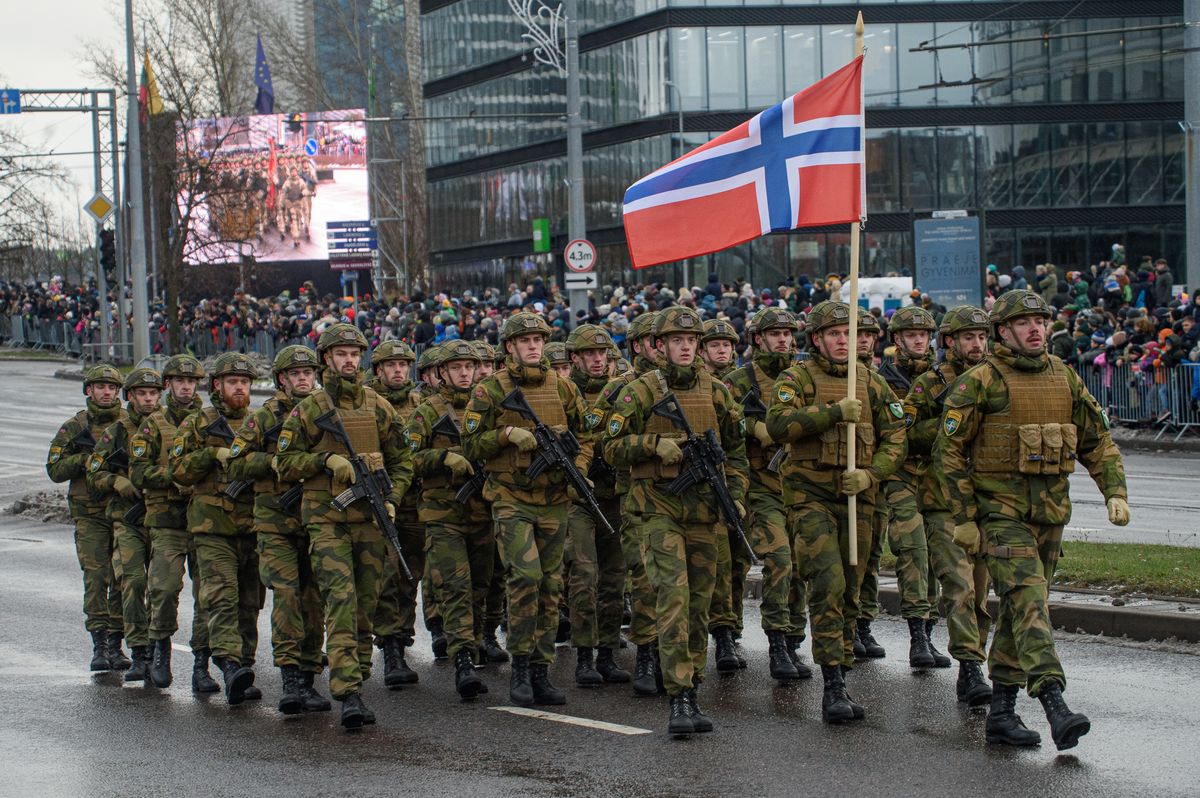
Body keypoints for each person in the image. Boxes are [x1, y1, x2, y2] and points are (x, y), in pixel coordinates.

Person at [936, 289, 1130, 751]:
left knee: (1019, 615)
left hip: (1050, 516)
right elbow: (949, 455)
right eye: (1024, 323)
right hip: (1001, 516)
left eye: (1040, 321)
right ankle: (1053, 700)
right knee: (1029, 601)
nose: (1035, 329)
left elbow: (1097, 440)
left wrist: (1115, 491)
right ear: (1002, 331)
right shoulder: (979, 382)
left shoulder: (1064, 377)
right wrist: (964, 518)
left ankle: (1001, 712)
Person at [603, 306, 748, 736]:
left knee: (701, 604)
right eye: (676, 341)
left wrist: (736, 496)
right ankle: (679, 696)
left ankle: (693, 684)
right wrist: (652, 445)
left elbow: (736, 453)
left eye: (691, 342)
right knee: (674, 599)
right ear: (658, 346)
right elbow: (609, 447)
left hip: (705, 512)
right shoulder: (640, 392)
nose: (685, 347)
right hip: (656, 509)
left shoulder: (718, 392)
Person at [766, 301, 906, 724]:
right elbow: (777, 425)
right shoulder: (797, 378)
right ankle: (833, 684)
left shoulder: (871, 382)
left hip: (857, 498)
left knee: (851, 584)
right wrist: (831, 414)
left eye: (847, 333)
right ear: (817, 340)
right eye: (833, 334)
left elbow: (896, 436)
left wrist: (871, 474)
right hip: (811, 498)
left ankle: (842, 666)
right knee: (827, 581)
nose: (843, 341)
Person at [275, 323, 415, 729]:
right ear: (327, 361)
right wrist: (323, 461)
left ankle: (359, 678)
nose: (349, 360)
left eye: (354, 353)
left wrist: (392, 499)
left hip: (370, 520)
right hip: (327, 520)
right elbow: (285, 463)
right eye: (340, 354)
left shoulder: (378, 406)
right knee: (341, 597)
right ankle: (348, 692)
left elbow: (403, 460)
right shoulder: (310, 409)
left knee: (367, 604)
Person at [461, 312, 593, 708]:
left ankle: (540, 668)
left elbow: (585, 435)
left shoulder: (564, 388)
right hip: (511, 498)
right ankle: (519, 664)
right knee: (525, 578)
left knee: (551, 586)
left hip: (554, 500)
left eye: (538, 339)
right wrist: (504, 434)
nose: (533, 346)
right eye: (525, 341)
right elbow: (470, 445)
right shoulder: (489, 390)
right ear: (510, 348)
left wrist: (579, 468)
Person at [226, 345, 331, 715]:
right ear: (282, 380)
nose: (303, 379)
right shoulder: (266, 416)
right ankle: (289, 678)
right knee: (286, 597)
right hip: (275, 521)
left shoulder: (325, 412)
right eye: (295, 374)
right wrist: (276, 462)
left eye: (308, 373)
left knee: (313, 599)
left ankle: (307, 676)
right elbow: (236, 462)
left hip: (317, 518)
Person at [907, 305, 994, 707]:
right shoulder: (929, 384)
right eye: (969, 338)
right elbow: (905, 434)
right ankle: (971, 665)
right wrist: (949, 425)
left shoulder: (995, 380)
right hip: (943, 500)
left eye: (982, 337)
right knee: (957, 586)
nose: (977, 345)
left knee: (979, 590)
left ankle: (972, 660)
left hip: (989, 501)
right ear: (950, 342)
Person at [717, 307, 810, 680]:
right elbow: (722, 427)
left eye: (788, 334)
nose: (783, 340)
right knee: (779, 560)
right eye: (775, 334)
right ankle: (773, 641)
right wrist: (754, 427)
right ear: (759, 339)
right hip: (758, 486)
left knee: (800, 565)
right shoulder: (739, 381)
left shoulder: (802, 377)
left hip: (799, 484)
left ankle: (793, 637)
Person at [171, 353, 263, 706]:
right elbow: (177, 471)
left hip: (252, 526)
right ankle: (225, 664)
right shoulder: (199, 423)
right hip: (211, 528)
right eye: (232, 382)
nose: (239, 388)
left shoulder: (259, 422)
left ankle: (245, 665)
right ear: (217, 387)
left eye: (244, 383)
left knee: (249, 603)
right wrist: (211, 455)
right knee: (219, 597)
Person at [405, 341, 496, 699]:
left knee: (480, 586)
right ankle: (462, 660)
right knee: (456, 586)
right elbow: (407, 458)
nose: (463, 373)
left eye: (469, 367)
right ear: (442, 373)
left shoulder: (488, 407)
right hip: (443, 513)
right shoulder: (427, 412)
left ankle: (473, 644)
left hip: (483, 511)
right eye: (455, 367)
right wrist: (443, 457)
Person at [130, 354, 217, 691]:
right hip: (167, 521)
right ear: (168, 385)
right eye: (180, 381)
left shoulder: (209, 421)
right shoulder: (153, 424)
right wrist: (174, 476)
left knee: (208, 595)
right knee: (164, 589)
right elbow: (138, 472)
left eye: (192, 382)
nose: (185, 387)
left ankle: (201, 663)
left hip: (206, 520)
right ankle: (160, 648)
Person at [591, 311, 663, 696]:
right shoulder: (619, 389)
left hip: (681, 500)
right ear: (638, 346)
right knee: (638, 578)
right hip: (633, 497)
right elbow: (597, 437)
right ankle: (642, 656)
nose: (663, 347)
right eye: (655, 340)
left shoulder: (692, 386)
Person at [871, 305, 945, 669]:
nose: (919, 341)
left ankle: (930, 629)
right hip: (900, 474)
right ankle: (918, 634)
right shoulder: (883, 381)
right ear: (897, 339)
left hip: (938, 476)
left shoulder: (942, 378)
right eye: (912, 335)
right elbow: (899, 434)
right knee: (912, 549)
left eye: (925, 335)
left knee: (935, 553)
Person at [46, 364, 129, 672]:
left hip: (123, 511)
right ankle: (99, 644)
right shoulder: (75, 427)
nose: (106, 392)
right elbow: (54, 469)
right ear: (88, 391)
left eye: (112, 388)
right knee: (97, 577)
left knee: (124, 578)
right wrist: (84, 461)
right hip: (89, 514)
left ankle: (117, 642)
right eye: (100, 387)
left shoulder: (129, 424)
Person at [86, 367, 163, 682]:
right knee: (131, 582)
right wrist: (116, 481)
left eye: (153, 393)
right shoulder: (116, 431)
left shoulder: (168, 426)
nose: (148, 398)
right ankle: (139, 650)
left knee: (162, 588)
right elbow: (94, 473)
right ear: (130, 396)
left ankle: (159, 651)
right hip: (127, 519)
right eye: (142, 393)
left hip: (161, 519)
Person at [564, 323, 630, 687]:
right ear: (575, 357)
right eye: (590, 353)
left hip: (613, 494)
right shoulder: (564, 392)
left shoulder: (622, 391)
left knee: (614, 578)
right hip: (578, 499)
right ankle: (584, 656)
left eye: (602, 353)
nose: (597, 359)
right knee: (584, 576)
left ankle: (607, 652)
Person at [365, 339, 424, 688]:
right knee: (386, 574)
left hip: (415, 502)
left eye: (403, 365)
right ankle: (390, 646)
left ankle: (402, 635)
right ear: (379, 371)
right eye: (391, 365)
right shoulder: (369, 406)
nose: (398, 370)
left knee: (410, 573)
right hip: (380, 502)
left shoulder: (422, 405)